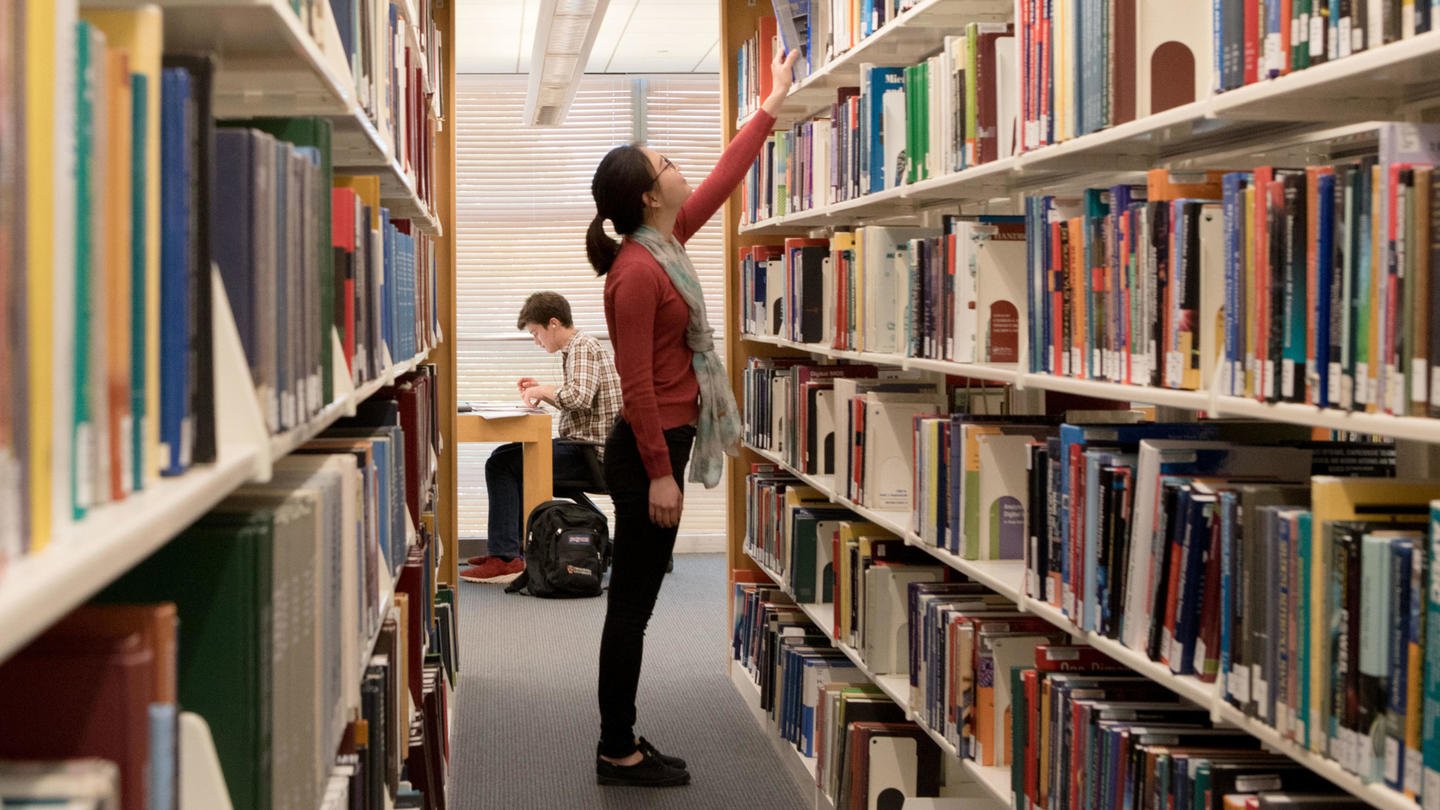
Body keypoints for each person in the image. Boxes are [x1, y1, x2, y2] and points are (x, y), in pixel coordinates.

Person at [585, 47, 799, 787]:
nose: (678, 165)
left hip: (664, 447)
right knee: (632, 609)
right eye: (665, 159)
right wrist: (658, 476)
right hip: (647, 451)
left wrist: (771, 102)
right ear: (647, 196)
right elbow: (636, 385)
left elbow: (723, 178)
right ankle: (618, 749)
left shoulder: (665, 245)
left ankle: (623, 737)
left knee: (637, 603)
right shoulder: (637, 273)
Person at [460, 291, 622, 583]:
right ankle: (513, 550)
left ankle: (507, 557)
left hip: (590, 453)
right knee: (504, 457)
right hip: (584, 447)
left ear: (554, 324)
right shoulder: (578, 348)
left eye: (536, 333)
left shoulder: (582, 347)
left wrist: (540, 391)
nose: (536, 341)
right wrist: (543, 389)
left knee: (503, 465)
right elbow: (579, 397)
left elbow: (579, 397)